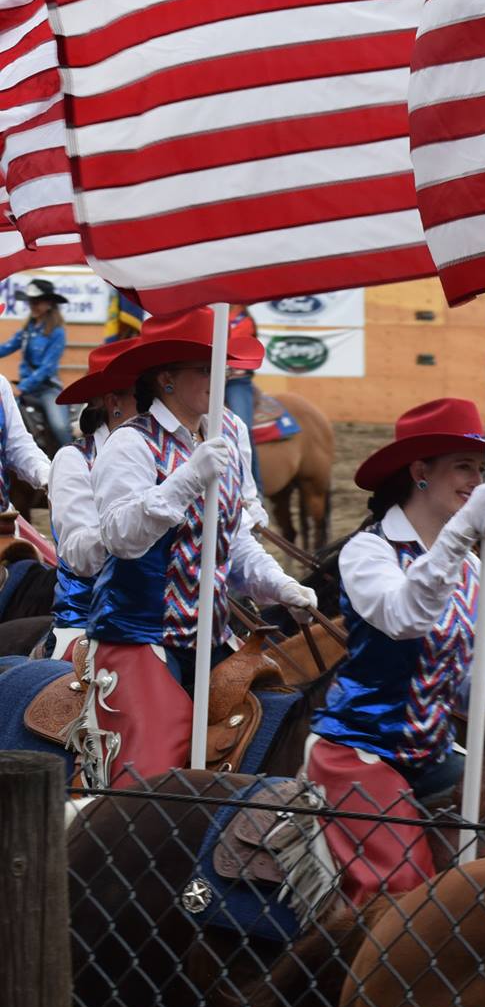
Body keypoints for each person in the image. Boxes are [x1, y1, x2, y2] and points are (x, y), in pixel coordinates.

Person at [304, 399, 485, 904]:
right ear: (420, 471)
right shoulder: (370, 551)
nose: (476, 479)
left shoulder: (470, 568)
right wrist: (460, 533)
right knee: (399, 892)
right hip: (359, 752)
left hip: (433, 754)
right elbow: (405, 618)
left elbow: (468, 686)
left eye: (482, 469)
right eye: (463, 466)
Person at [79, 309, 316, 788]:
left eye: (222, 367)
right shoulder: (130, 445)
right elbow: (121, 538)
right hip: (139, 634)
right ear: (166, 379)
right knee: (145, 772)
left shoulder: (225, 435)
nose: (222, 377)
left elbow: (233, 542)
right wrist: (187, 480)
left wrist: (282, 586)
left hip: (211, 636)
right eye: (206, 369)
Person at [46, 339, 140, 663]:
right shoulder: (73, 460)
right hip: (84, 623)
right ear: (113, 401)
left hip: (154, 627)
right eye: (145, 397)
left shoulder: (156, 458)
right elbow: (79, 555)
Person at [2, 279, 69, 447]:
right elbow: (6, 347)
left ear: (49, 304)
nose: (32, 305)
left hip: (46, 389)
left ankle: (73, 457)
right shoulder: (27, 329)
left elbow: (48, 368)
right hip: (24, 388)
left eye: (37, 301)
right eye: (31, 301)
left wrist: (22, 387)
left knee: (60, 426)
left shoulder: (57, 332)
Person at [224, 304, 262, 488]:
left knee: (242, 428)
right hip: (210, 378)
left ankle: (255, 489)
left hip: (236, 381)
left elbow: (233, 347)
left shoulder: (243, 321)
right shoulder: (213, 313)